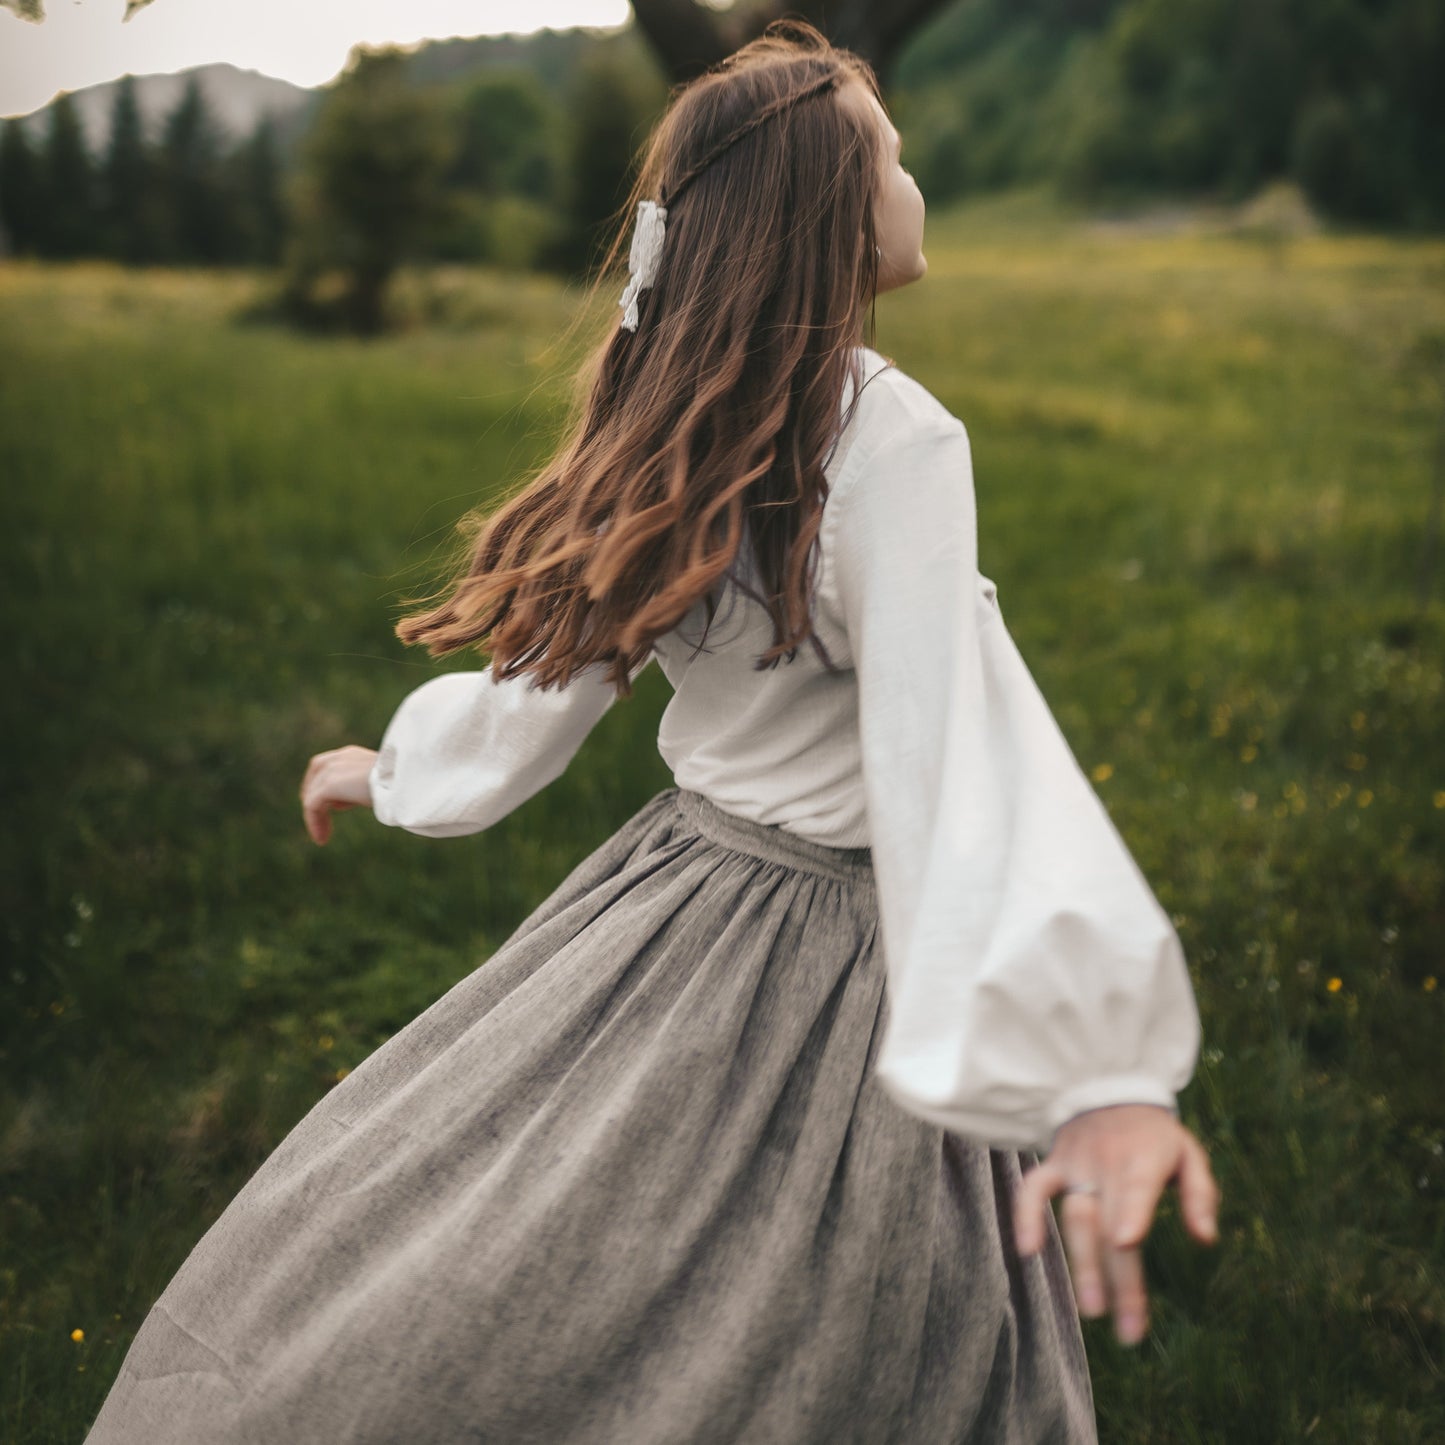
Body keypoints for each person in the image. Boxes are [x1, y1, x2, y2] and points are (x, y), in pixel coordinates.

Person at [86, 21, 1219, 1445]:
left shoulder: (689, 413)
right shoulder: (895, 438)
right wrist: (1099, 1067)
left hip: (673, 902)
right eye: (892, 157)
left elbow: (538, 697)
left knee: (575, 1233)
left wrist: (400, 770)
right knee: (841, 1314)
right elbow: (945, 759)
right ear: (830, 216)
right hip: (840, 945)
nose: (913, 180)